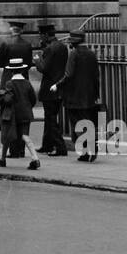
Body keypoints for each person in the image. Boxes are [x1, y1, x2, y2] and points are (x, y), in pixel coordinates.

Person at [58, 30, 101, 161]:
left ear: (73, 43)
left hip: (74, 96)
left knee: (76, 125)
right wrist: (96, 93)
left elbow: (69, 74)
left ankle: (86, 149)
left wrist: (58, 84)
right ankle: (89, 150)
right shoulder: (91, 54)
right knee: (87, 122)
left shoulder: (74, 54)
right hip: (89, 96)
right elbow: (96, 76)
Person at [0, 59, 39, 168]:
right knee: (25, 136)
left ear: (11, 71)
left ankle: (2, 159)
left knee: (7, 136)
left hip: (12, 115)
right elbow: (33, 99)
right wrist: (27, 107)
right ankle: (35, 158)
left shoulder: (9, 83)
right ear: (22, 70)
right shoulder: (27, 83)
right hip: (26, 114)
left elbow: (8, 100)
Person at [35, 22, 70, 156]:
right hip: (59, 87)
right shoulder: (62, 47)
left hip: (49, 89)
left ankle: (60, 147)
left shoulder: (50, 49)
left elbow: (44, 68)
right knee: (49, 117)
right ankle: (47, 144)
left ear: (45, 35)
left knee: (50, 119)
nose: (40, 38)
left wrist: (37, 59)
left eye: (41, 35)